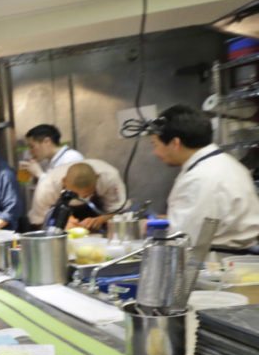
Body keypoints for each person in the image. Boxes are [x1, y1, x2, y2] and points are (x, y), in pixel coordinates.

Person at [149, 104, 259, 248]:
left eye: (155, 145)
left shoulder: (201, 178)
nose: (155, 153)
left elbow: (185, 240)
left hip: (216, 261)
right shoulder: (221, 163)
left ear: (175, 143)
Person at [28, 160, 127, 231]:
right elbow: (38, 222)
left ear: (97, 178)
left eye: (88, 193)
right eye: (75, 194)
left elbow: (119, 211)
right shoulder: (47, 187)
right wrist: (61, 222)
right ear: (64, 181)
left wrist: (101, 219)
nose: (82, 197)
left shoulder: (109, 177)